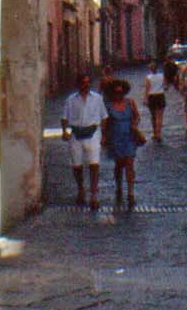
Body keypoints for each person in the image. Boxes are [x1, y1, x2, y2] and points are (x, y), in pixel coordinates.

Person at [60, 71, 107, 210]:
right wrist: (64, 131)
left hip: (93, 133)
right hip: (76, 134)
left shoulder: (97, 98)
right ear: (78, 84)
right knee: (77, 166)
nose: (85, 85)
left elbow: (104, 116)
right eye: (83, 83)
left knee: (94, 165)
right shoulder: (71, 99)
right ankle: (81, 189)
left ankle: (94, 194)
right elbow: (64, 117)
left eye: (88, 82)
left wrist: (104, 134)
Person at [102, 77, 143, 209]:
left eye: (121, 92)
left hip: (129, 136)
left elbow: (136, 116)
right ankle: (119, 186)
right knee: (119, 164)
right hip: (115, 137)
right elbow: (105, 123)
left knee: (130, 163)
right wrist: (104, 137)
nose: (119, 95)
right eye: (117, 92)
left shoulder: (130, 103)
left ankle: (130, 193)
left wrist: (134, 125)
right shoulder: (108, 106)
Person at [143, 57, 167, 141]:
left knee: (153, 116)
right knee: (160, 116)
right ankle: (159, 133)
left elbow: (147, 89)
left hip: (152, 97)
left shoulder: (148, 78)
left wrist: (145, 98)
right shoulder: (162, 76)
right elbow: (165, 86)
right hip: (160, 96)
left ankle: (154, 132)